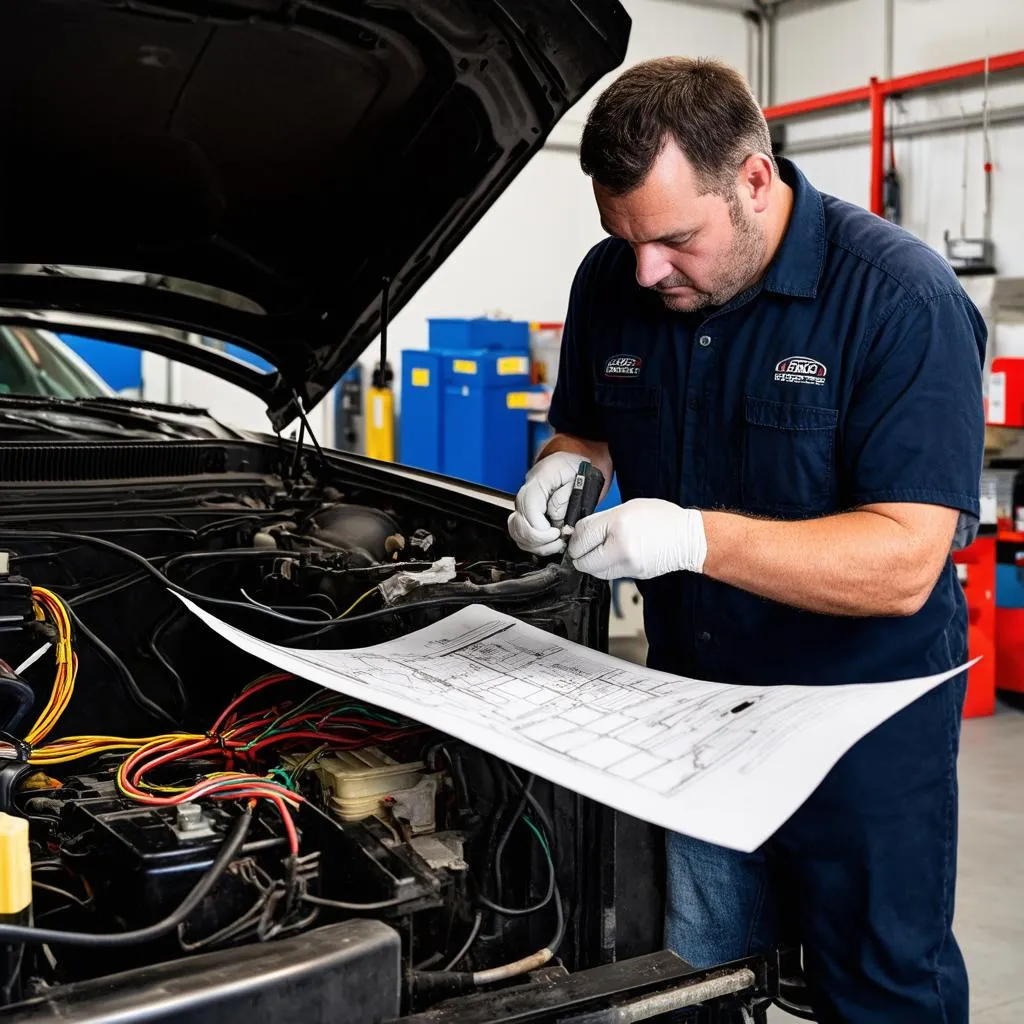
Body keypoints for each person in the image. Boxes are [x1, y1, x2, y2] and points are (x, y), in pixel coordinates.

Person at [508, 57, 985, 1023]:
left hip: (859, 732)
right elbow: (588, 426)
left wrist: (693, 538)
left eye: (676, 239)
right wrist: (568, 467)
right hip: (690, 714)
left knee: (879, 992)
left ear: (755, 180)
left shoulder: (899, 299)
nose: (647, 271)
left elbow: (903, 563)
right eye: (625, 237)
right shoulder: (617, 277)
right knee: (687, 983)